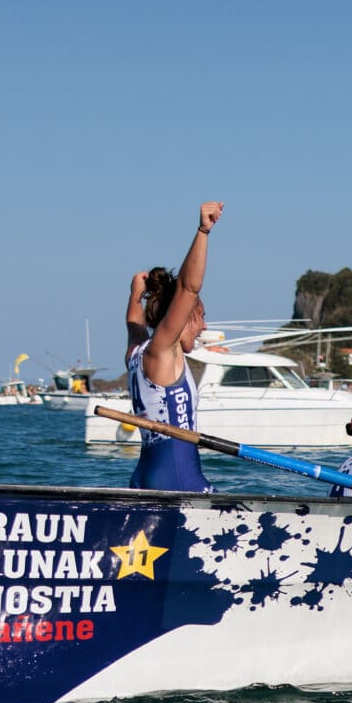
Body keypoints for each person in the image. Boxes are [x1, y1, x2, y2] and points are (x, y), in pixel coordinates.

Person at [127, 201, 222, 492]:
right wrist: (203, 231)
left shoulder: (136, 353)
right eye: (201, 317)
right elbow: (188, 288)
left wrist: (135, 292)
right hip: (177, 475)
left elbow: (133, 321)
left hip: (144, 476)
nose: (204, 326)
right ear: (183, 315)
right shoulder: (162, 351)